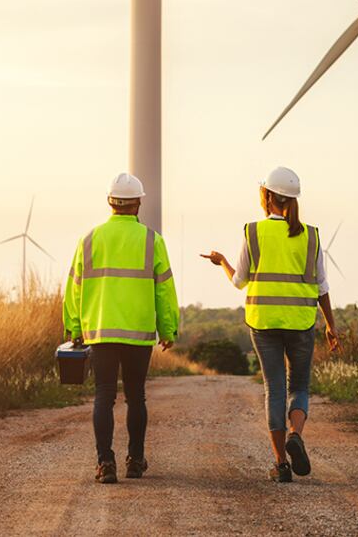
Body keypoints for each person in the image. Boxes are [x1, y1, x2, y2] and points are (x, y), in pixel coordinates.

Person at [201, 166, 340, 483]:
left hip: (263, 323)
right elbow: (321, 286)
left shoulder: (253, 232)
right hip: (301, 322)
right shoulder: (311, 235)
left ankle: (281, 464)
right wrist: (331, 325)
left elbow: (239, 281)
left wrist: (222, 262)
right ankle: (296, 434)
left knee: (274, 389)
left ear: (266, 196)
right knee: (299, 386)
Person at [63, 173, 179, 484]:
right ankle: (135, 461)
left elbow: (74, 287)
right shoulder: (152, 240)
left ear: (109, 202)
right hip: (138, 332)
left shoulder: (89, 239)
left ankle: (105, 463)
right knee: (136, 396)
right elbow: (164, 290)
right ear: (138, 203)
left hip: (100, 330)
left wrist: (74, 326)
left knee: (104, 395)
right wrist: (168, 329)